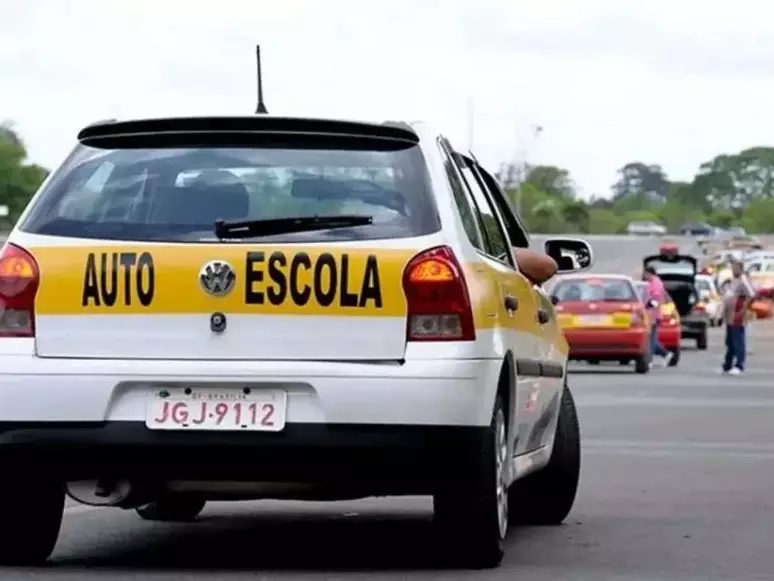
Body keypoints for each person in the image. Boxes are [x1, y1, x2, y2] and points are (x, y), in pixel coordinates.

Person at [721, 258, 755, 375]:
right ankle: (727, 365)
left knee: (738, 341)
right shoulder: (734, 281)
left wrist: (743, 309)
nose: (733, 270)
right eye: (732, 268)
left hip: (737, 316)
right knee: (729, 342)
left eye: (735, 268)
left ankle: (739, 365)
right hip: (729, 317)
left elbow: (751, 295)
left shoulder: (743, 280)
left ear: (740, 269)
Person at [643, 266, 673, 367]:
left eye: (645, 274)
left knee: (651, 340)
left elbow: (655, 299)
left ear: (649, 273)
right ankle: (665, 354)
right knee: (652, 340)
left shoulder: (656, 283)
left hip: (653, 315)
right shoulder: (653, 282)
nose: (645, 276)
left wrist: (646, 306)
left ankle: (650, 360)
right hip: (652, 315)